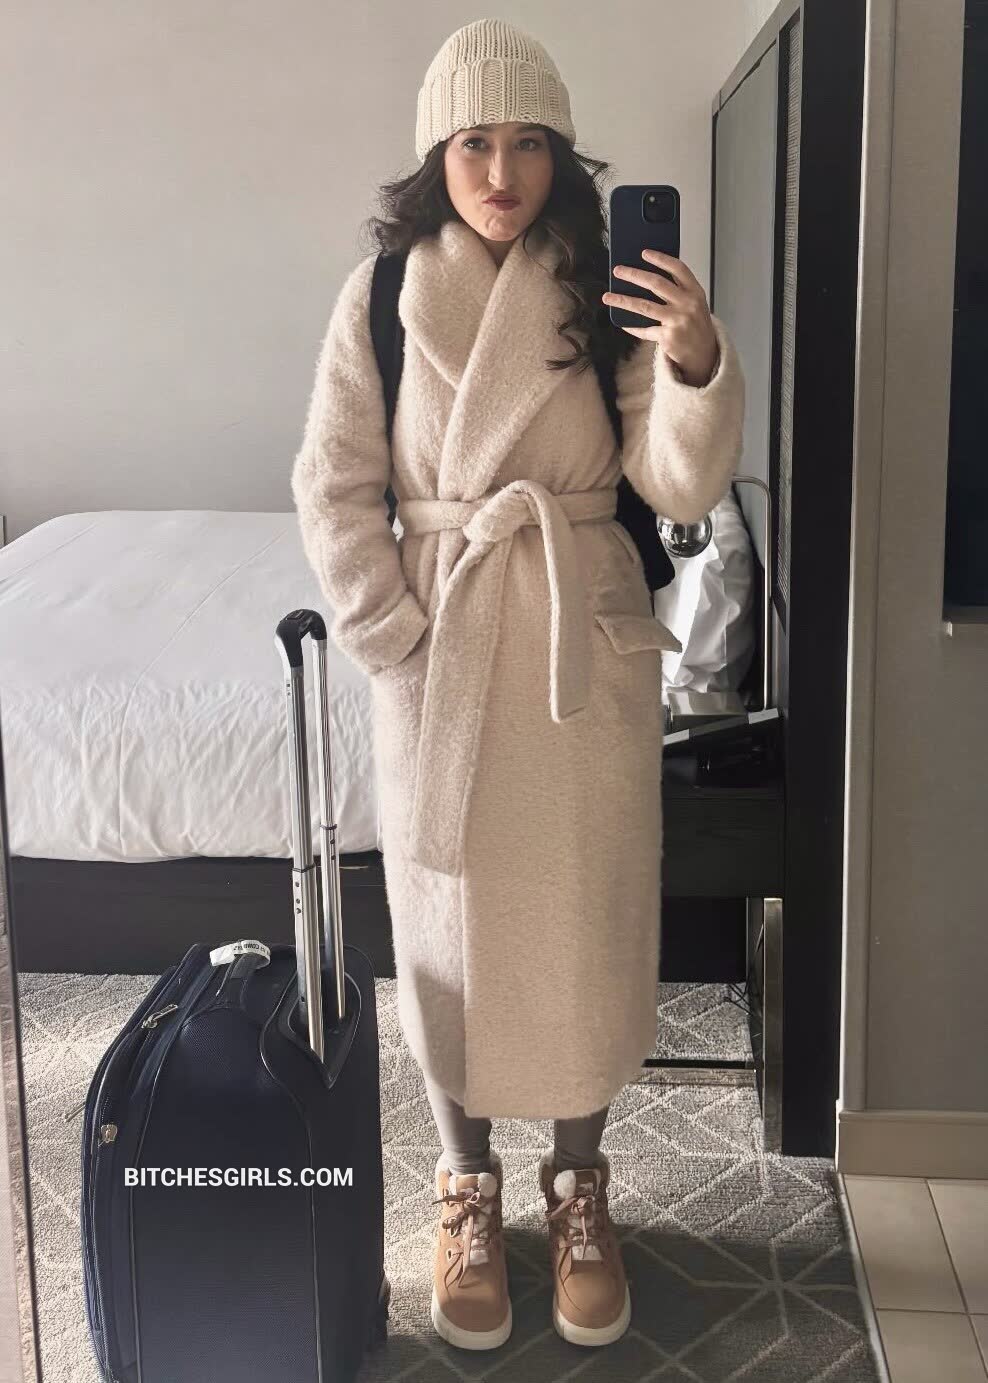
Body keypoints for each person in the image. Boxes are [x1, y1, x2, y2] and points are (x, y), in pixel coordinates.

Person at [291, 17, 745, 1354]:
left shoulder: (604, 283)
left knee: (583, 917)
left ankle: (580, 1181)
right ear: (438, 155)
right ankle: (468, 1184)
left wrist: (694, 360)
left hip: (576, 647)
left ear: (562, 156)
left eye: (529, 143)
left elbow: (677, 483)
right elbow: (335, 483)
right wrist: (389, 632)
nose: (502, 172)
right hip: (445, 645)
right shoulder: (381, 293)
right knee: (449, 924)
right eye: (475, 143)